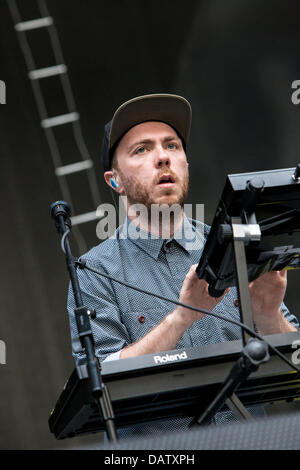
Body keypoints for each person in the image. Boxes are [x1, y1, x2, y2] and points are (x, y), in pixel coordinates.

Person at [67, 94, 299, 437]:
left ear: (186, 164)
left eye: (172, 146)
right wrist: (181, 318)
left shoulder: (238, 247)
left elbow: (295, 362)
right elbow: (99, 381)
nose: (162, 157)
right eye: (141, 149)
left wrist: (268, 315)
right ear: (114, 180)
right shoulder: (92, 272)